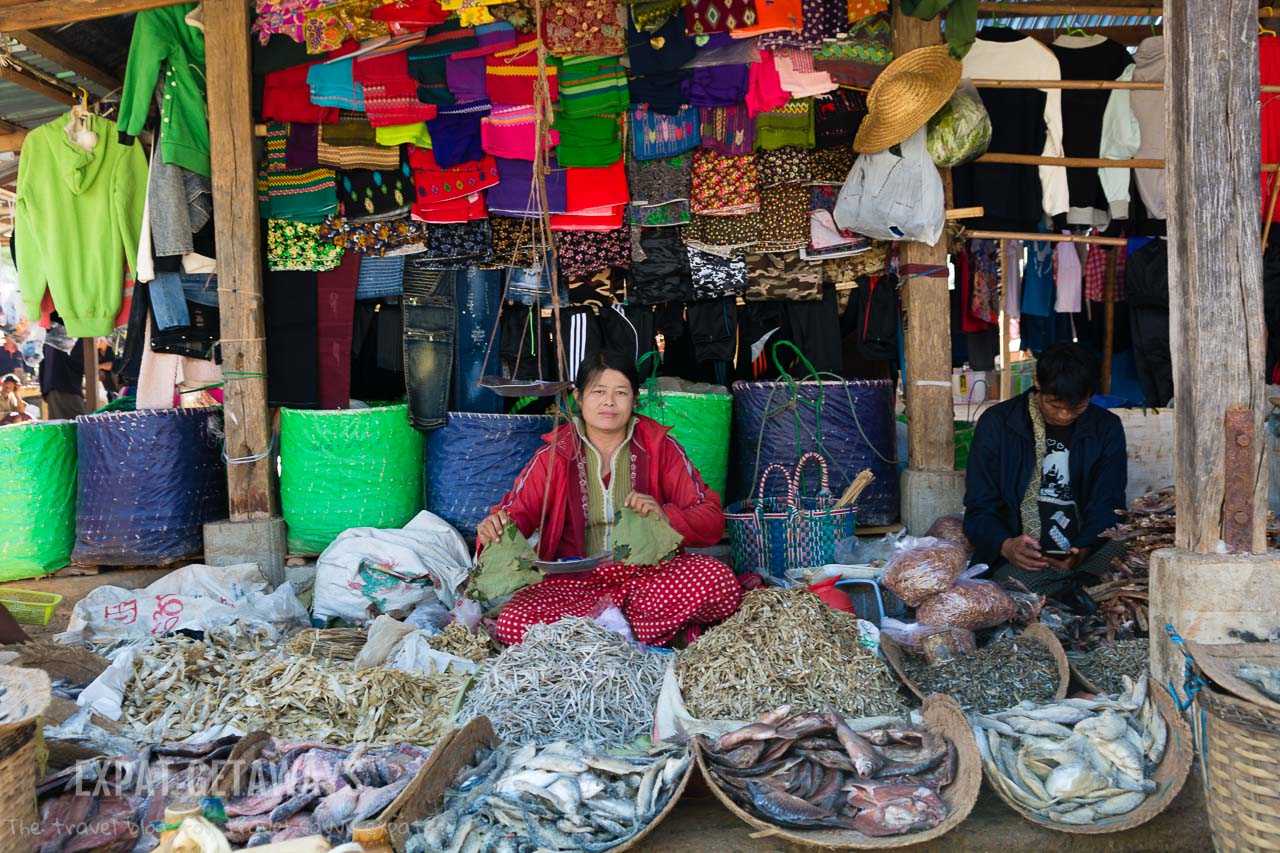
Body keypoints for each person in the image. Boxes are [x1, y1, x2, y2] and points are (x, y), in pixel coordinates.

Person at [477, 351, 742, 646]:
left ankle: (596, 635)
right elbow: (517, 512)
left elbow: (710, 518)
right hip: (573, 585)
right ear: (578, 396)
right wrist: (496, 527)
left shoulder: (660, 447)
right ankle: (637, 632)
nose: (609, 402)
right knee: (515, 621)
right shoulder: (554, 453)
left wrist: (667, 516)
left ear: (634, 398)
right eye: (598, 391)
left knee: (718, 580)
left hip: (647, 580)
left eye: (620, 392)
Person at [962, 342, 1128, 599]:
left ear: (1091, 395)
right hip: (1023, 558)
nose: (1064, 415)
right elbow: (979, 506)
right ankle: (1079, 590)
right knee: (1009, 587)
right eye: (1054, 405)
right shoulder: (998, 423)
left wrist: (1083, 549)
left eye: (1077, 408)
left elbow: (1108, 501)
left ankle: (1075, 584)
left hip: (1085, 549)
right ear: (1037, 382)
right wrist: (1006, 546)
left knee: (1133, 545)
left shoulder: (1106, 427)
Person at [40, 342, 85, 421]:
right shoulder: (55, 337)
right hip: (64, 389)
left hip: (58, 389)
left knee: (63, 427)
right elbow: (80, 364)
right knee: (75, 426)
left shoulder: (49, 337)